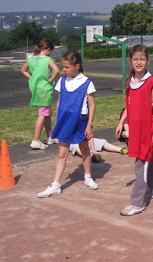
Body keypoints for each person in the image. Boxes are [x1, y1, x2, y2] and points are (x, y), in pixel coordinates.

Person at [115, 44, 153, 216]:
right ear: (130, 61)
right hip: (135, 130)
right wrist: (121, 121)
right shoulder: (130, 82)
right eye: (135, 59)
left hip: (146, 131)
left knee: (140, 166)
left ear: (148, 61)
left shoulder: (152, 82)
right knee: (147, 158)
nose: (139, 62)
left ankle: (137, 202)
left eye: (142, 59)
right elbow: (128, 105)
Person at [37, 50, 99, 197]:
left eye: (66, 67)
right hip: (65, 122)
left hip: (81, 122)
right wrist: (58, 120)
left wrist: (90, 124)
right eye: (62, 67)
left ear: (77, 66)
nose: (63, 70)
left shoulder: (87, 82)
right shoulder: (62, 81)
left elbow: (91, 105)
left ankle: (88, 177)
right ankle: (56, 185)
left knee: (84, 149)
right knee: (62, 153)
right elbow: (59, 101)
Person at [20, 39, 60, 150]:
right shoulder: (48, 59)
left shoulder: (31, 59)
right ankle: (35, 140)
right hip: (45, 88)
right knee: (42, 113)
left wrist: (32, 78)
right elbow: (56, 71)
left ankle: (50, 136)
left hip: (36, 87)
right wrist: (50, 80)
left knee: (47, 112)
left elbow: (23, 70)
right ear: (48, 49)